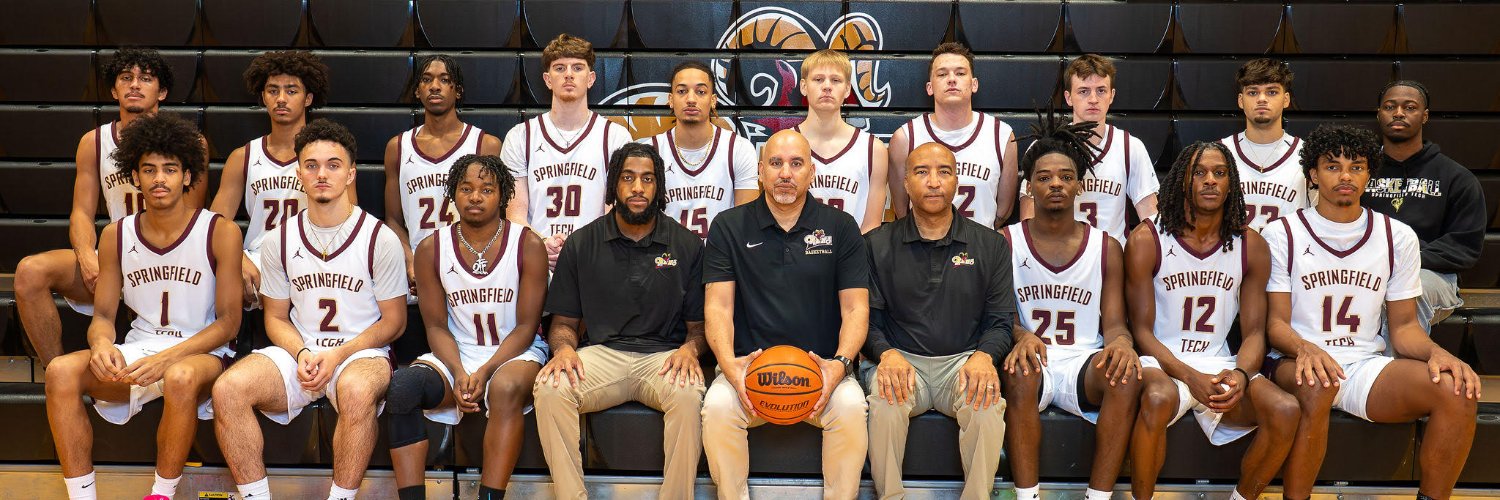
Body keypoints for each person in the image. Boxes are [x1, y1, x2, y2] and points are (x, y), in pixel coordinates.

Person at [1264, 124, 1480, 500]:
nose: (1345, 175)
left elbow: (1404, 329)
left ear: (1369, 173)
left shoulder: (1398, 236)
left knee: (1457, 391)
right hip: (1295, 362)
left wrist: (1438, 353)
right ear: (1313, 174)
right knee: (1319, 384)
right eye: (1332, 166)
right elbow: (1276, 324)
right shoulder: (1281, 233)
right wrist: (1306, 349)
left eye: (1357, 166)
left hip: (1364, 364)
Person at [45, 113, 241, 500]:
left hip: (202, 352)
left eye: (170, 169)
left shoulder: (220, 231)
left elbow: (229, 323)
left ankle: (161, 493)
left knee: (180, 376)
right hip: (140, 348)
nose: (159, 179)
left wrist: (169, 358)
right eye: (148, 170)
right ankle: (82, 496)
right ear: (134, 177)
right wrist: (102, 346)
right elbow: (103, 316)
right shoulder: (115, 234)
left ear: (188, 176)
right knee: (60, 372)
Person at [211, 119, 408, 500]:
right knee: (228, 388)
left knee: (353, 389)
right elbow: (275, 318)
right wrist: (301, 352)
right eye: (312, 165)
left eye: (333, 165)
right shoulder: (277, 240)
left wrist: (338, 355)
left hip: (361, 352)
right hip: (300, 351)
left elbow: (395, 322)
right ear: (298, 171)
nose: (322, 174)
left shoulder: (379, 237)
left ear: (351, 174)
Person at [999, 112, 1170, 500]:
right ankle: (1027, 496)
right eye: (1043, 178)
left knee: (1124, 373)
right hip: (1034, 358)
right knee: (1019, 371)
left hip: (1082, 361)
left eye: (1065, 176)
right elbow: (997, 316)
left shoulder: (1106, 246)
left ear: (1080, 184)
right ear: (1029, 187)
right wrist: (1020, 333)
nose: (1055, 183)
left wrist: (1123, 343)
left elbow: (1113, 324)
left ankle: (1098, 496)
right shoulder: (1005, 242)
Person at [1123, 141, 1299, 499]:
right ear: (1181, 180)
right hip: (1161, 362)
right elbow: (1140, 331)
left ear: (1231, 183)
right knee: (1156, 398)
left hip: (1218, 363)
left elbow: (1253, 333)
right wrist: (1189, 376)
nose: (1210, 181)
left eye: (1219, 173)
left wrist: (1239, 374)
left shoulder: (1252, 244)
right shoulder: (1147, 238)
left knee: (1286, 409)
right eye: (1199, 172)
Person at [700, 129, 870, 499]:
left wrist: (838, 366)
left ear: (812, 172)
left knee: (853, 408)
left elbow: (856, 308)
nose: (786, 173)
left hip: (823, 371)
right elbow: (718, 305)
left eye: (796, 164)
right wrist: (731, 367)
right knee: (716, 409)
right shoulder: (728, 227)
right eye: (775, 163)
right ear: (760, 171)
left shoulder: (841, 228)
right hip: (748, 370)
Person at [534, 143, 708, 499]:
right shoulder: (582, 243)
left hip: (663, 358)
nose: (638, 188)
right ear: (614, 185)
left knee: (690, 395)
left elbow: (699, 329)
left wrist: (691, 350)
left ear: (659, 186)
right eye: (628, 178)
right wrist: (563, 350)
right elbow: (564, 323)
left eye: (647, 179)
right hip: (602, 355)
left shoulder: (687, 245)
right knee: (550, 388)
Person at [16, 47, 205, 367]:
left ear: (162, 91)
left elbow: (193, 217)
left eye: (145, 78)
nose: (134, 84)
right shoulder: (94, 141)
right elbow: (81, 213)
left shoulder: (188, 142)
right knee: (29, 272)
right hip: (114, 257)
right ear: (114, 89)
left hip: (169, 262)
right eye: (126, 77)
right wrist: (88, 256)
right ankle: (56, 373)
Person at [385, 155, 547, 500]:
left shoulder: (528, 244)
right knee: (403, 388)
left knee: (503, 389)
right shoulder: (431, 248)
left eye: (486, 189)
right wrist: (458, 371)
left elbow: (526, 326)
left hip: (516, 352)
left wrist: (486, 371)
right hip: (457, 353)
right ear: (453, 195)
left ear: (502, 195)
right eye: (466, 188)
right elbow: (436, 326)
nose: (475, 197)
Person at [863, 143, 1013, 499]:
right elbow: (865, 319)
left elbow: (1001, 320)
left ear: (957, 181)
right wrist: (886, 354)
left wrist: (984, 357)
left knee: (987, 404)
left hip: (962, 362)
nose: (933, 182)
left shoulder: (989, 244)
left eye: (943, 172)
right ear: (905, 183)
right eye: (921, 172)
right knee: (884, 400)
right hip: (900, 360)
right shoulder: (875, 244)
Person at [210, 50, 338, 311]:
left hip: (312, 257)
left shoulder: (330, 156)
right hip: (258, 259)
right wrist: (237, 260)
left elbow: (344, 222)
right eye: (273, 90)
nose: (281, 99)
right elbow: (214, 225)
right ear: (263, 97)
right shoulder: (243, 157)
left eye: (291, 91)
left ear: (308, 98)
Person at [1365, 80, 1485, 333]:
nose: (1398, 113)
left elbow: (1463, 246)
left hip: (1430, 275)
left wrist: (1404, 263)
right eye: (1390, 106)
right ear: (1379, 114)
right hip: (1366, 270)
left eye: (1409, 107)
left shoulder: (1456, 178)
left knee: (1406, 294)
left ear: (1425, 116)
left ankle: (1393, 370)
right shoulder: (1357, 173)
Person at [502, 34, 630, 268]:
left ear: (591, 78)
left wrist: (582, 245)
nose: (569, 74)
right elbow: (515, 214)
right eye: (559, 68)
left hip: (596, 258)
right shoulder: (520, 137)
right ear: (547, 79)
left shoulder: (615, 137)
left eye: (578, 68)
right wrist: (541, 243)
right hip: (537, 259)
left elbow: (615, 211)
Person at [384, 54, 503, 293]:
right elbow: (394, 221)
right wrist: (410, 263)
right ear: (417, 91)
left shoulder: (484, 144)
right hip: (418, 270)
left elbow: (496, 219)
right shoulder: (397, 147)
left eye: (444, 79)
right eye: (426, 80)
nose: (435, 86)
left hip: (469, 269)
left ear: (457, 91)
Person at [1019, 54, 1158, 244]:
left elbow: (1150, 218)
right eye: (1083, 91)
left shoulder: (1130, 147)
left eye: (1101, 90)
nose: (1093, 99)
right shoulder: (1044, 146)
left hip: (1111, 262)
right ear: (1068, 97)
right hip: (1058, 258)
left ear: (1112, 96)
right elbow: (1028, 219)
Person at [888, 42, 1019, 229]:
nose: (951, 79)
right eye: (942, 74)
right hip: (923, 252)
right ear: (929, 87)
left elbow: (1003, 211)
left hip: (980, 250)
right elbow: (902, 211)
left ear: (974, 84)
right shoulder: (905, 138)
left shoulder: (1002, 135)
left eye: (960, 73)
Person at [641, 61, 759, 239]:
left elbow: (746, 224)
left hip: (719, 260)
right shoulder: (649, 151)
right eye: (681, 91)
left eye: (700, 92)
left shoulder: (738, 149)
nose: (690, 99)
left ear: (713, 100)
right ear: (670, 100)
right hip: (666, 259)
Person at [793, 49, 889, 233]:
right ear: (804, 86)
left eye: (836, 80)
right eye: (818, 79)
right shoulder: (785, 144)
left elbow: (871, 226)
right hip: (797, 257)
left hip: (851, 257)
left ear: (847, 89)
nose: (827, 86)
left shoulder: (872, 149)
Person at [1219, 58, 1309, 232]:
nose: (1261, 99)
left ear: (1286, 99)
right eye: (1252, 92)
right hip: (1233, 257)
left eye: (1272, 92)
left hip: (1288, 258)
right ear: (1240, 100)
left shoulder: (1307, 155)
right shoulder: (1219, 154)